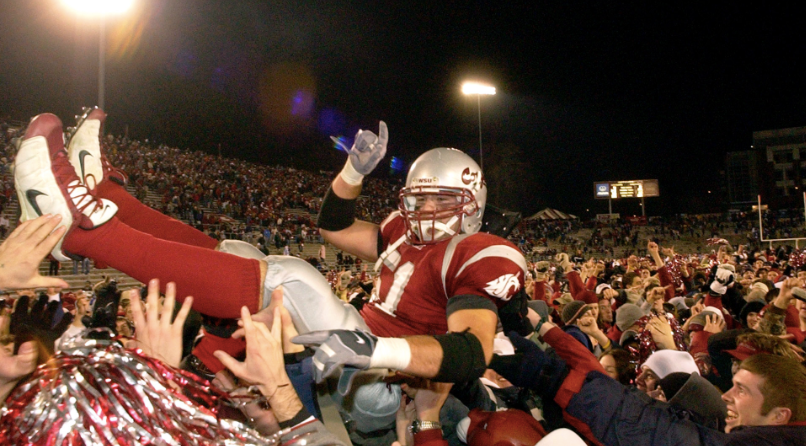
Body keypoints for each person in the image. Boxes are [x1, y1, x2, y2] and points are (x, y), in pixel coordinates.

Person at [301, 124, 528, 389]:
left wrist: (380, 351)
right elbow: (334, 227)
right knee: (290, 274)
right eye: (420, 200)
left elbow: (472, 350)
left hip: (402, 372)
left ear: (472, 206)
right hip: (358, 332)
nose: (427, 209)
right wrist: (353, 173)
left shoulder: (477, 253)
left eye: (442, 200)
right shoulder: (400, 230)